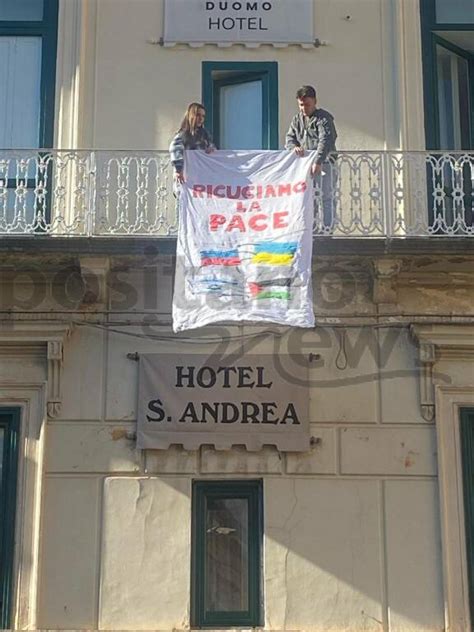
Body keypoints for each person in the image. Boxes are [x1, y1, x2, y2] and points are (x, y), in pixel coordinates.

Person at [285, 85, 338, 231]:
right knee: (310, 199)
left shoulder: (324, 118)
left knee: (326, 197)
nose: (304, 108)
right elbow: (289, 139)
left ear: (315, 101)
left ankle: (328, 231)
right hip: (305, 167)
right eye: (301, 105)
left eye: (307, 104)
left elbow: (326, 140)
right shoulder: (297, 120)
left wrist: (318, 161)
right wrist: (294, 147)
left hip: (326, 164)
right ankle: (312, 231)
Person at [169, 102, 215, 194]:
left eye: (203, 116)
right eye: (198, 115)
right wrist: (179, 170)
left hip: (201, 180)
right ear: (191, 116)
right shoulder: (183, 135)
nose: (201, 119)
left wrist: (211, 150)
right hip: (186, 180)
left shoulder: (205, 135)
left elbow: (213, 148)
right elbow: (175, 149)